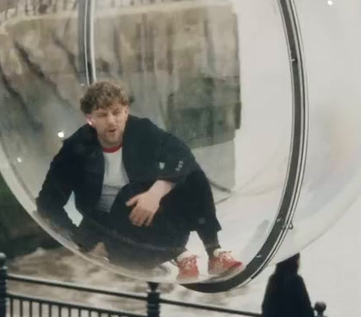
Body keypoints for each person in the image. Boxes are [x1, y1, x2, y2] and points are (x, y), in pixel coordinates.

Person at [36, 79, 242, 281]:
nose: (111, 121)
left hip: (154, 217)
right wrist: (83, 241)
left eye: (116, 112)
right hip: (114, 233)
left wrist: (156, 192)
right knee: (130, 192)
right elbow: (47, 203)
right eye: (102, 115)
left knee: (192, 174)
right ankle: (180, 254)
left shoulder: (142, 130)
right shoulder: (76, 149)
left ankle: (213, 252)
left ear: (126, 111)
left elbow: (181, 155)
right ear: (90, 119)